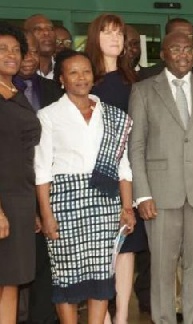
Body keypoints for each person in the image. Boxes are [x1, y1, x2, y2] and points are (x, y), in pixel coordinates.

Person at [128, 31, 193, 324]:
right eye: (176, 49)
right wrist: (143, 194)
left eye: (188, 49)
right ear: (163, 54)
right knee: (162, 267)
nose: (183, 55)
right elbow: (135, 147)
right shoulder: (144, 91)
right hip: (161, 196)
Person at [35, 49, 136, 324]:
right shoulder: (48, 116)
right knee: (66, 275)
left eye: (86, 71)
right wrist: (46, 215)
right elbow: (42, 169)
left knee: (102, 274)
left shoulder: (112, 115)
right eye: (73, 72)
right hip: (65, 202)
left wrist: (127, 207)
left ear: (94, 76)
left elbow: (123, 167)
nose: (81, 78)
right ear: (61, 79)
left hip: (106, 202)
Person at [82, 14, 141, 324]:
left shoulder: (134, 81)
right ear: (96, 37)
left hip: (128, 174)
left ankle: (121, 316)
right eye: (107, 33)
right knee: (98, 249)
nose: (115, 39)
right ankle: (101, 316)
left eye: (119, 33)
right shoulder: (85, 78)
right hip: (93, 175)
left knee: (125, 246)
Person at [12, 30, 62, 324]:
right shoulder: (7, 91)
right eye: (23, 51)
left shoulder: (52, 88)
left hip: (47, 187)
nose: (28, 57)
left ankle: (43, 318)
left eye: (32, 52)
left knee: (45, 261)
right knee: (14, 267)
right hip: (14, 187)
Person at [0, 22, 41, 324]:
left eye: (16, 49)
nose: (11, 55)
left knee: (12, 278)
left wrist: (34, 209)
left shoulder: (16, 91)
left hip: (22, 200)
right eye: (2, 49)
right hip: (3, 201)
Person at [23, 14, 56, 79]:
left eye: (50, 29)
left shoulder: (63, 69)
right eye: (38, 29)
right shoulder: (17, 71)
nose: (46, 33)